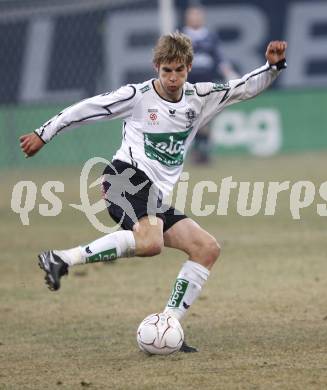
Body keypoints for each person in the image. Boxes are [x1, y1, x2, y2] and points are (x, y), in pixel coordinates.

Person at [20, 32, 287, 352]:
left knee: (206, 248)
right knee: (150, 241)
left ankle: (168, 324)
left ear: (189, 68)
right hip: (123, 178)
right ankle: (61, 258)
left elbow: (243, 87)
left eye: (179, 70)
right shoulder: (136, 95)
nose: (173, 78)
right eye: (166, 71)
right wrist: (43, 133)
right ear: (156, 68)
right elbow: (85, 109)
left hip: (153, 195)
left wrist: (272, 67)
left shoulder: (200, 96)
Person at [182, 4, 240, 164]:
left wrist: (229, 73)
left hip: (207, 84)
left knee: (205, 119)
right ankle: (193, 154)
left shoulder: (210, 37)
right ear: (187, 18)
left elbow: (220, 59)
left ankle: (203, 154)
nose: (195, 18)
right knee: (191, 120)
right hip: (188, 85)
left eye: (198, 15)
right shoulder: (180, 37)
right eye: (192, 15)